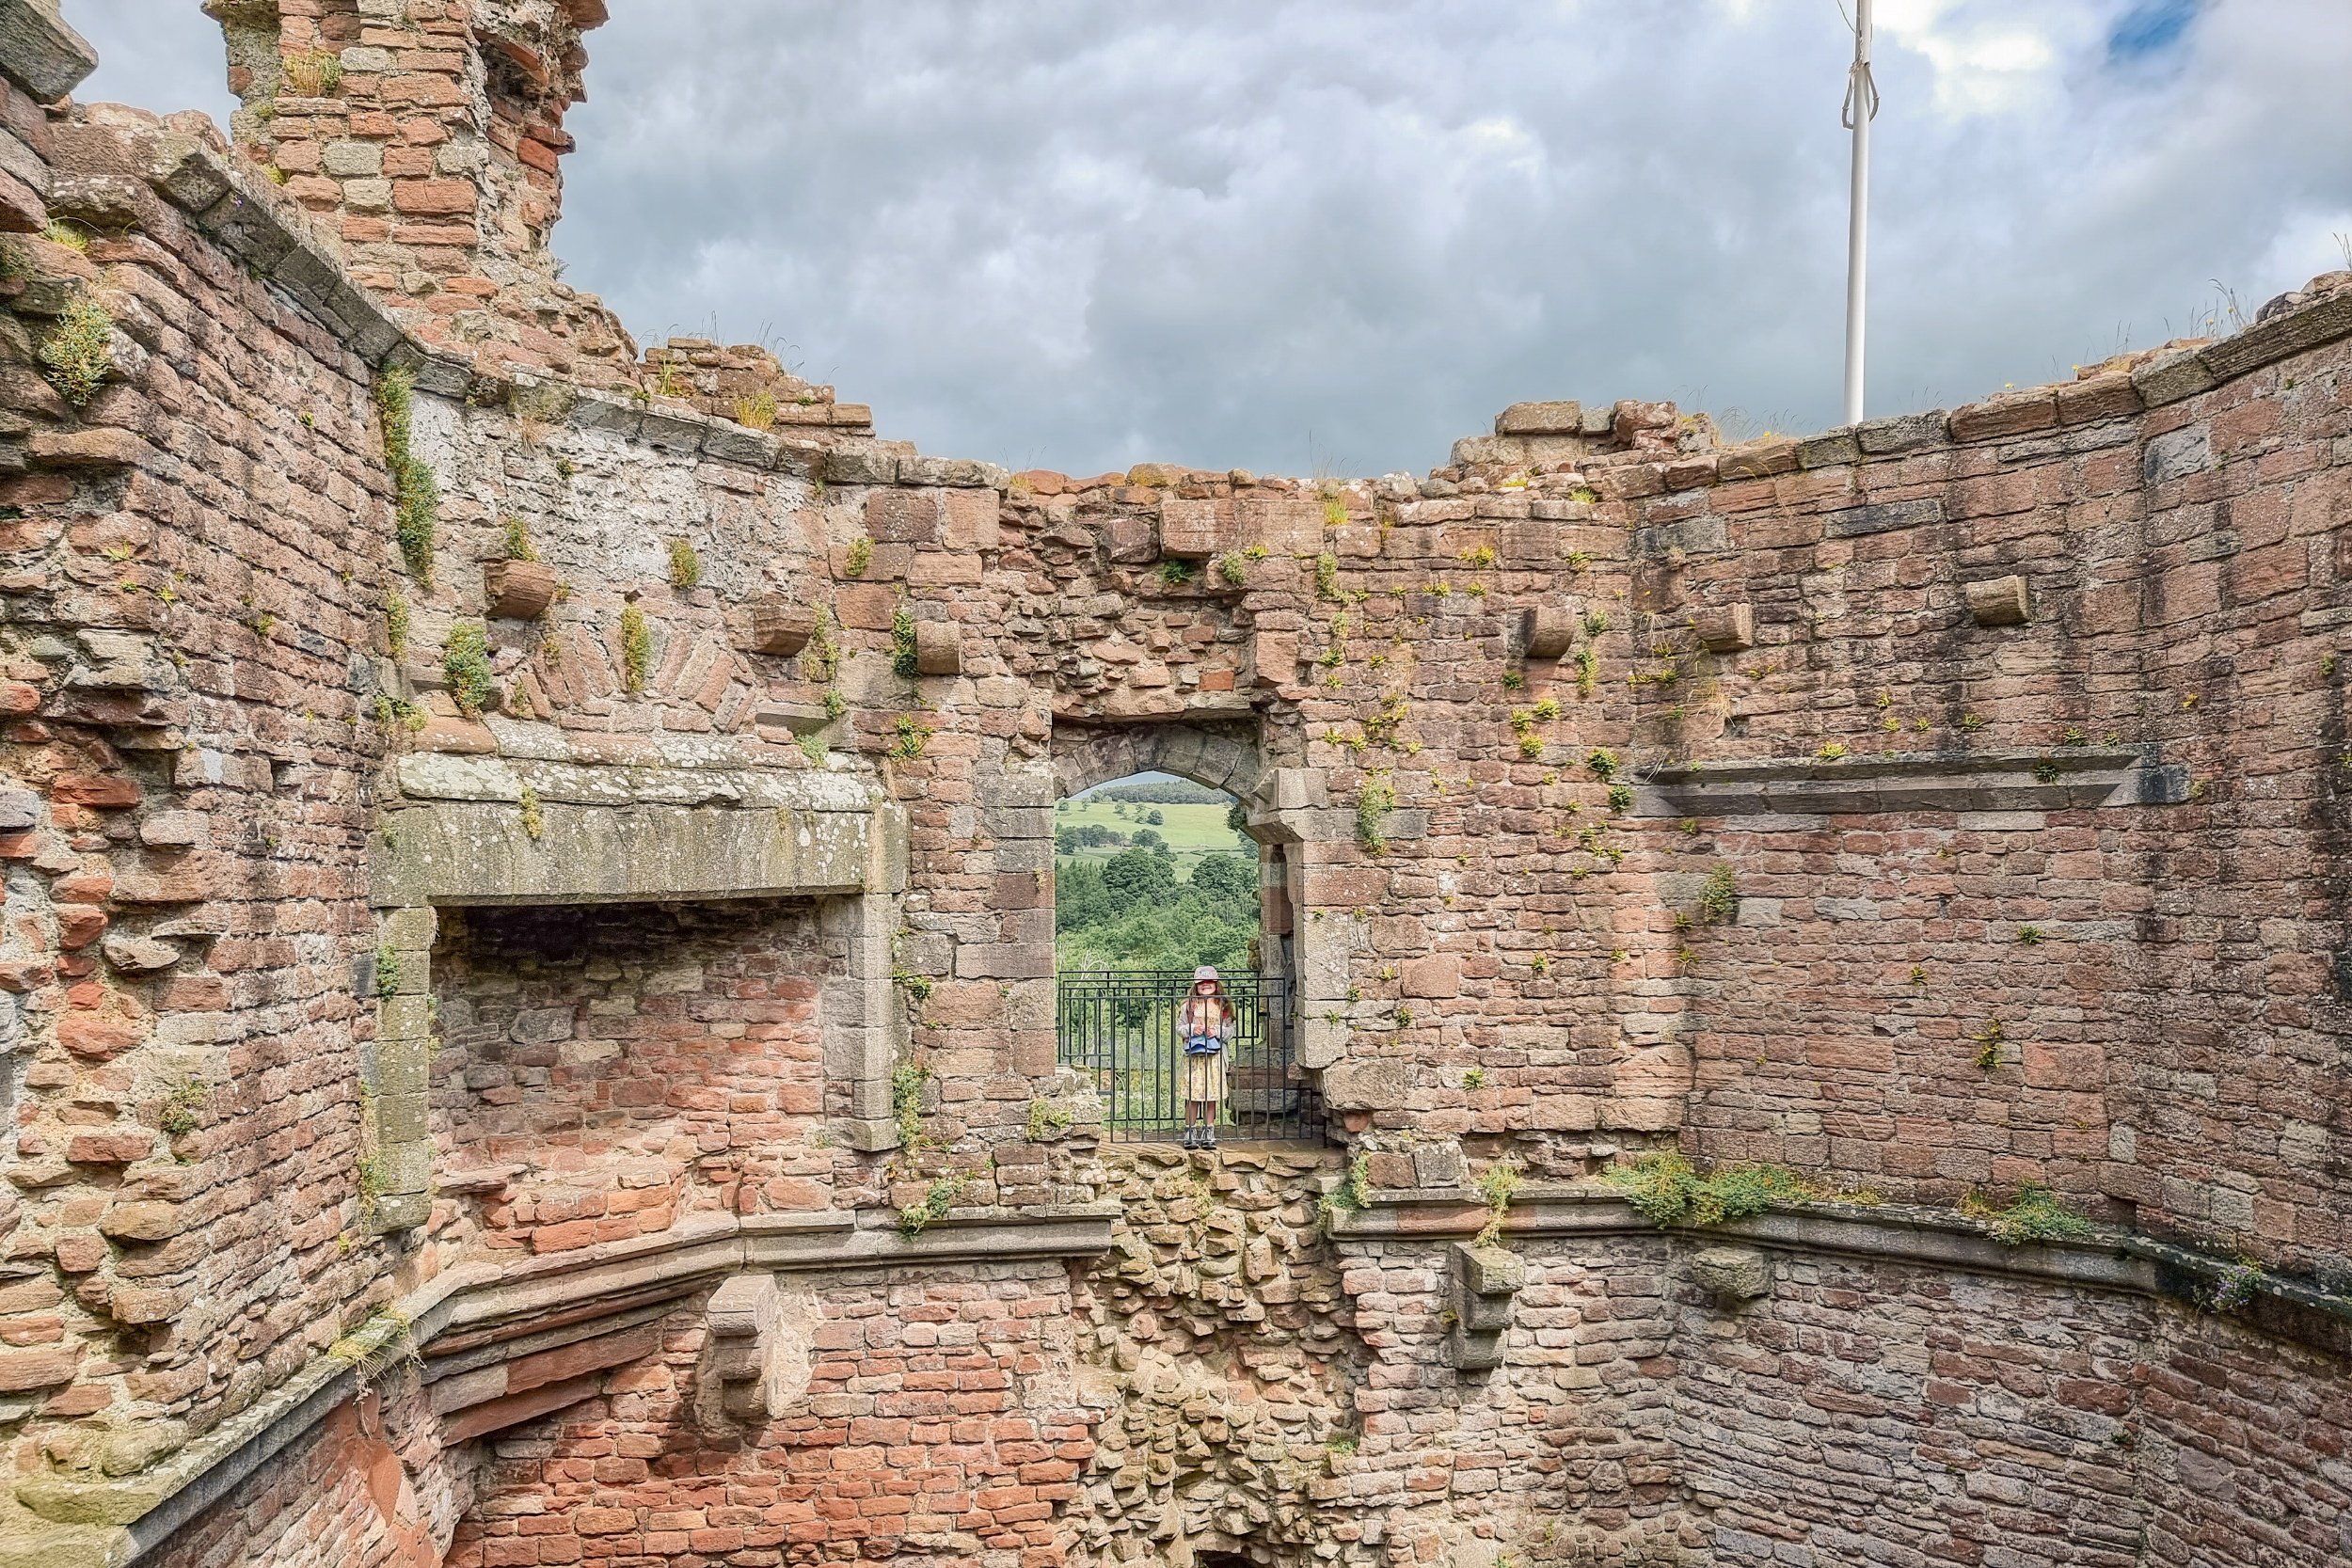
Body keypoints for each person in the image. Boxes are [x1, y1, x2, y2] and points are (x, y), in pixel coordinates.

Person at [1175, 964, 1234, 1148]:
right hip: (1194, 1057)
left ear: (1216, 984)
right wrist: (1193, 1029)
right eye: (1202, 983)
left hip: (1214, 1057)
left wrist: (1216, 1031)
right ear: (1196, 986)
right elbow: (1179, 1028)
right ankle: (1190, 1131)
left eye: (1209, 982)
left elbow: (1231, 1031)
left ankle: (1209, 1131)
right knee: (1193, 1096)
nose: (1205, 985)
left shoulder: (1223, 1006)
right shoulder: (1188, 1006)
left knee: (1211, 1096)